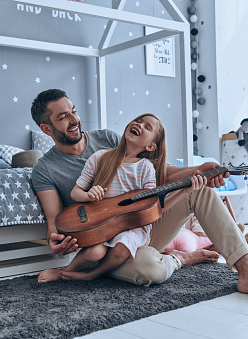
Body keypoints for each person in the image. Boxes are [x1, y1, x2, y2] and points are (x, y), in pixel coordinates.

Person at [31, 89, 248, 299]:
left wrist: (198, 169)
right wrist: (56, 243)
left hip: (141, 226)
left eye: (73, 111)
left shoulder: (108, 140)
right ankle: (181, 257)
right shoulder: (45, 169)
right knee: (150, 270)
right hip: (105, 246)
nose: (75, 120)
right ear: (46, 129)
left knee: (198, 190)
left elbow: (160, 174)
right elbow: (55, 222)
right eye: (63, 117)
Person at [38, 114, 209, 282]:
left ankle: (93, 274)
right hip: (102, 224)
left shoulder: (145, 168)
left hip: (132, 228)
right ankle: (64, 272)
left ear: (150, 147)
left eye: (147, 127)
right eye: (138, 121)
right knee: (93, 253)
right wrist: (88, 195)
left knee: (121, 249)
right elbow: (75, 192)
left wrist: (184, 191)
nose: (139, 124)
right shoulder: (99, 157)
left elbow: (153, 207)